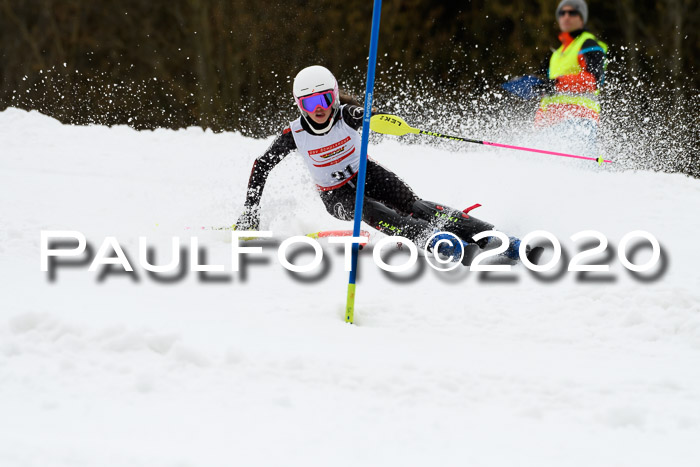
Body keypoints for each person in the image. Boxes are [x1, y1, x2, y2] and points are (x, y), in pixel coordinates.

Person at [235, 65, 539, 264]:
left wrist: (380, 118)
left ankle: (495, 238)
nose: (319, 110)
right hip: (335, 196)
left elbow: (374, 118)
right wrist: (250, 212)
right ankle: (431, 240)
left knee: (414, 206)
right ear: (299, 105)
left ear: (334, 96)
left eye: (325, 100)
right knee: (367, 210)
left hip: (366, 173)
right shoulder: (294, 134)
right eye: (310, 104)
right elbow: (261, 166)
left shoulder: (346, 115)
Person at [504, 0, 608, 155]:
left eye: (572, 13)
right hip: (550, 125)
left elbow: (592, 80)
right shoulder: (557, 54)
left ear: (582, 18)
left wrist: (555, 84)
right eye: (562, 13)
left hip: (578, 122)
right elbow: (553, 89)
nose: (566, 17)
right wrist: (537, 87)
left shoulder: (588, 44)